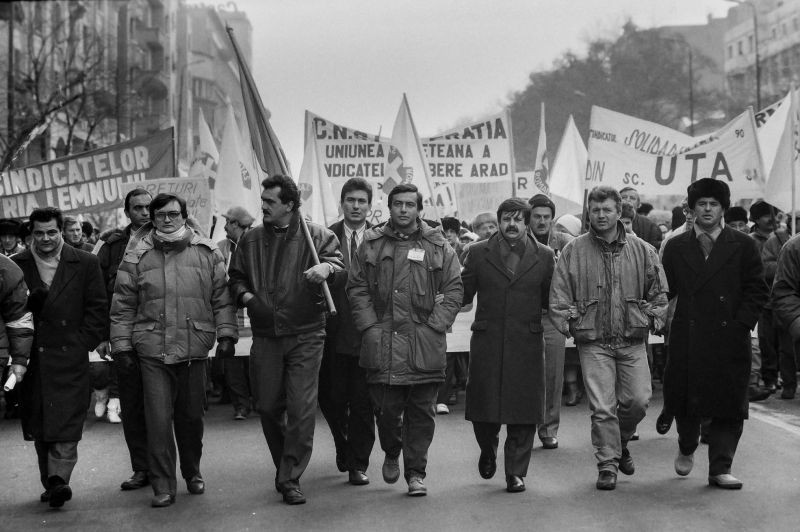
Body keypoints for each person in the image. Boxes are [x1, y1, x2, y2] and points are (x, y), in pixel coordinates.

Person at [110, 193, 238, 508]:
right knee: (156, 420)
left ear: (184, 216)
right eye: (161, 215)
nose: (168, 220)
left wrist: (227, 335)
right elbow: (122, 306)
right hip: (151, 350)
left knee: (191, 417)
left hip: (194, 348)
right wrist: (122, 345)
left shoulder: (207, 252)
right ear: (152, 219)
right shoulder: (135, 255)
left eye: (174, 214)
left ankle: (192, 471)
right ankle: (163, 485)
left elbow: (222, 298)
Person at [228, 174, 345, 505]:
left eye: (269, 202)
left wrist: (327, 269)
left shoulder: (317, 235)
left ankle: (290, 476)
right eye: (262, 201)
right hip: (266, 336)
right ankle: (285, 464)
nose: (262, 206)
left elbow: (340, 269)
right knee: (267, 407)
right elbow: (234, 278)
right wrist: (249, 299)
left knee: (301, 408)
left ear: (290, 206)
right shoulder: (250, 239)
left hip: (307, 333)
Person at [549, 186, 668, 491]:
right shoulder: (574, 250)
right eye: (596, 210)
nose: (601, 215)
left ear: (619, 212)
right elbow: (559, 297)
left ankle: (620, 442)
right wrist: (569, 321)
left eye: (607, 210)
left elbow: (659, 294)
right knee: (602, 408)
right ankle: (607, 464)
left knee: (638, 402)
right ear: (589, 212)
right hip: (594, 342)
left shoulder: (643, 250)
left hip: (632, 340)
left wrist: (652, 317)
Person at [347, 183, 463, 497]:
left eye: (409, 205)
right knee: (386, 413)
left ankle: (415, 473)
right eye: (397, 204)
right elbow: (356, 288)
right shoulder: (371, 243)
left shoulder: (437, 244)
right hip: (382, 342)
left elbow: (454, 289)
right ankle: (392, 450)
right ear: (389, 207)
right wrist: (370, 326)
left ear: (418, 209)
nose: (403, 210)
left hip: (424, 342)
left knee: (422, 414)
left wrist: (435, 325)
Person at [661, 178, 768, 490]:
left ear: (723, 209)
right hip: (688, 336)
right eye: (701, 204)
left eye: (714, 204)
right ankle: (686, 443)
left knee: (728, 402)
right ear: (692, 209)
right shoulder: (676, 246)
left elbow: (757, 290)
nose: (707, 209)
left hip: (729, 337)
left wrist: (741, 324)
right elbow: (664, 291)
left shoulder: (744, 244)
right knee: (685, 397)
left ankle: (720, 467)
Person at [13, 207, 107, 508]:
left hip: (70, 356)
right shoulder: (16, 265)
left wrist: (82, 344)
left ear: (62, 231)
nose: (46, 239)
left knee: (67, 420)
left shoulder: (85, 262)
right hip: (34, 360)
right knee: (41, 422)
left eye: (52, 232)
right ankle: (51, 481)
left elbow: (97, 309)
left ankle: (58, 479)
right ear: (31, 234)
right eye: (39, 233)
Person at [461, 198, 553, 493]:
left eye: (518, 219)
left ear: (527, 223)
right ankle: (488, 450)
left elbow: (551, 300)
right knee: (484, 408)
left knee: (524, 410)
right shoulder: (477, 253)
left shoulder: (546, 256)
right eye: (506, 219)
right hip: (488, 341)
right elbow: (462, 294)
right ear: (498, 222)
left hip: (527, 342)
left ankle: (515, 471)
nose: (511, 224)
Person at [95, 187, 153, 490]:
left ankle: (165, 466)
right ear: (127, 212)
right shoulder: (112, 244)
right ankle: (142, 468)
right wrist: (103, 335)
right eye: (138, 208)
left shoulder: (165, 237)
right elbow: (97, 291)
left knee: (163, 406)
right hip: (123, 336)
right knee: (132, 405)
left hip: (158, 334)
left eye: (148, 207)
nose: (144, 212)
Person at [320, 177, 376, 486]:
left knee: (363, 402)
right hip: (331, 333)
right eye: (350, 200)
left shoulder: (381, 238)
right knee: (331, 398)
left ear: (370, 206)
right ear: (342, 203)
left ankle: (358, 462)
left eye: (361, 201)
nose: (356, 206)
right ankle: (342, 442)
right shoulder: (323, 236)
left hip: (368, 333)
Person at [528, 194, 572, 449]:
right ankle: (523, 425)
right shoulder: (520, 241)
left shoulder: (566, 242)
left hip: (553, 317)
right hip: (525, 316)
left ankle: (548, 428)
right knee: (525, 375)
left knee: (553, 375)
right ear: (529, 218)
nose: (542, 221)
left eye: (546, 217)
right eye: (537, 217)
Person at [216, 206, 255, 421]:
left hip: (255, 312)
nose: (224, 226)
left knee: (257, 363)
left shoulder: (258, 244)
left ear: (236, 224)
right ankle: (241, 405)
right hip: (231, 313)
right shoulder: (221, 248)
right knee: (232, 363)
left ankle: (261, 402)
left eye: (228, 222)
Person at [762, 214, 800, 400]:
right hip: (792, 318)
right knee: (786, 351)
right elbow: (783, 291)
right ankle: (789, 384)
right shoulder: (793, 247)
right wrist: (796, 322)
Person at [750, 200, 779, 393]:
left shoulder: (781, 237)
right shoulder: (751, 240)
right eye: (766, 215)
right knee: (764, 341)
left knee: (778, 341)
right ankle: (767, 378)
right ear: (756, 219)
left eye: (773, 215)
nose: (771, 219)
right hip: (761, 298)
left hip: (779, 299)